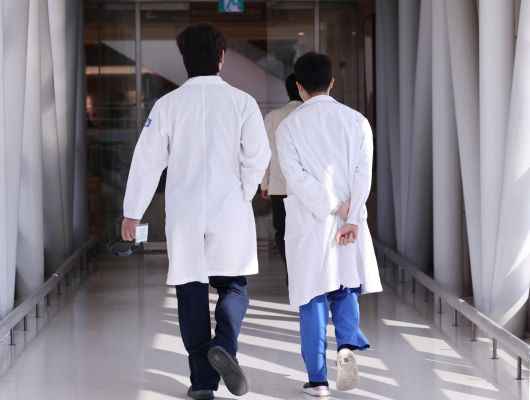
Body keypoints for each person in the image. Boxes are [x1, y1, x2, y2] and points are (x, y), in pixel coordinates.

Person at [121, 24, 270, 400]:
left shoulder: (167, 105)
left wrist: (132, 212)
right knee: (233, 286)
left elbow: (147, 162)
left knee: (191, 291)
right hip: (229, 208)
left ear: (184, 59)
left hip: (185, 213)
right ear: (222, 57)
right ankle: (224, 344)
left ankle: (203, 383)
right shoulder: (242, 102)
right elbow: (258, 156)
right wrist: (245, 191)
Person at [276, 52, 382, 397]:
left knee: (312, 297)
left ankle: (318, 380)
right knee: (346, 285)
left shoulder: (289, 126)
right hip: (349, 221)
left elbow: (295, 175)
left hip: (311, 222)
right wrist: (350, 215)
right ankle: (347, 344)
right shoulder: (357, 121)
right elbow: (363, 174)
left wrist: (332, 205)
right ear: (332, 82)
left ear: (299, 86)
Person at [261, 74, 302, 280]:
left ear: (288, 91)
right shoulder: (311, 114)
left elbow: (265, 152)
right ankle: (302, 274)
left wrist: (265, 182)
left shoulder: (273, 117)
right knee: (305, 232)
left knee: (283, 231)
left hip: (280, 185)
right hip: (307, 188)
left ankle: (292, 271)